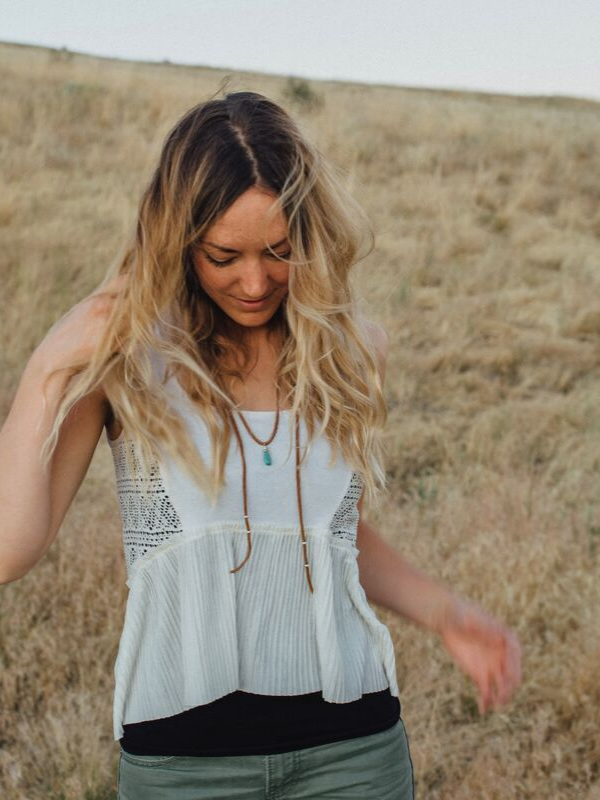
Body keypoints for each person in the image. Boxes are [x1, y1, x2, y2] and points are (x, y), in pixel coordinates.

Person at [0, 90, 521, 799]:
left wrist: (446, 613)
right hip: (183, 764)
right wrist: (50, 367)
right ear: (180, 241)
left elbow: (323, 533)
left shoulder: (349, 350)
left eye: (279, 252)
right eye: (224, 256)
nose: (255, 282)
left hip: (355, 752)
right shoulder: (130, 355)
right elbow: (11, 547)